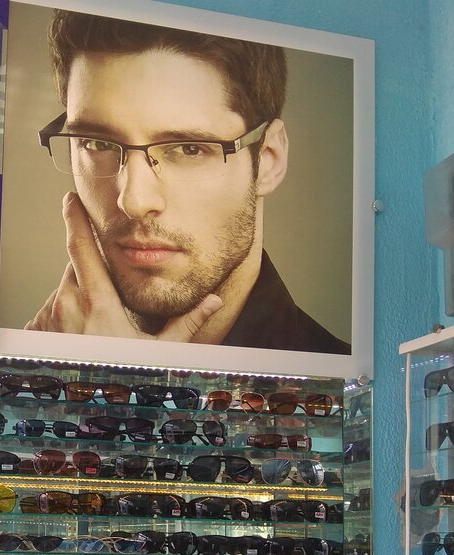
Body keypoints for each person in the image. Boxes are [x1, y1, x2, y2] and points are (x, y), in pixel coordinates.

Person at [25, 11, 349, 354]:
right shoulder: (27, 362)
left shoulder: (336, 374)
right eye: (98, 143)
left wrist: (105, 377)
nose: (134, 200)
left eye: (188, 149)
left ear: (268, 159)